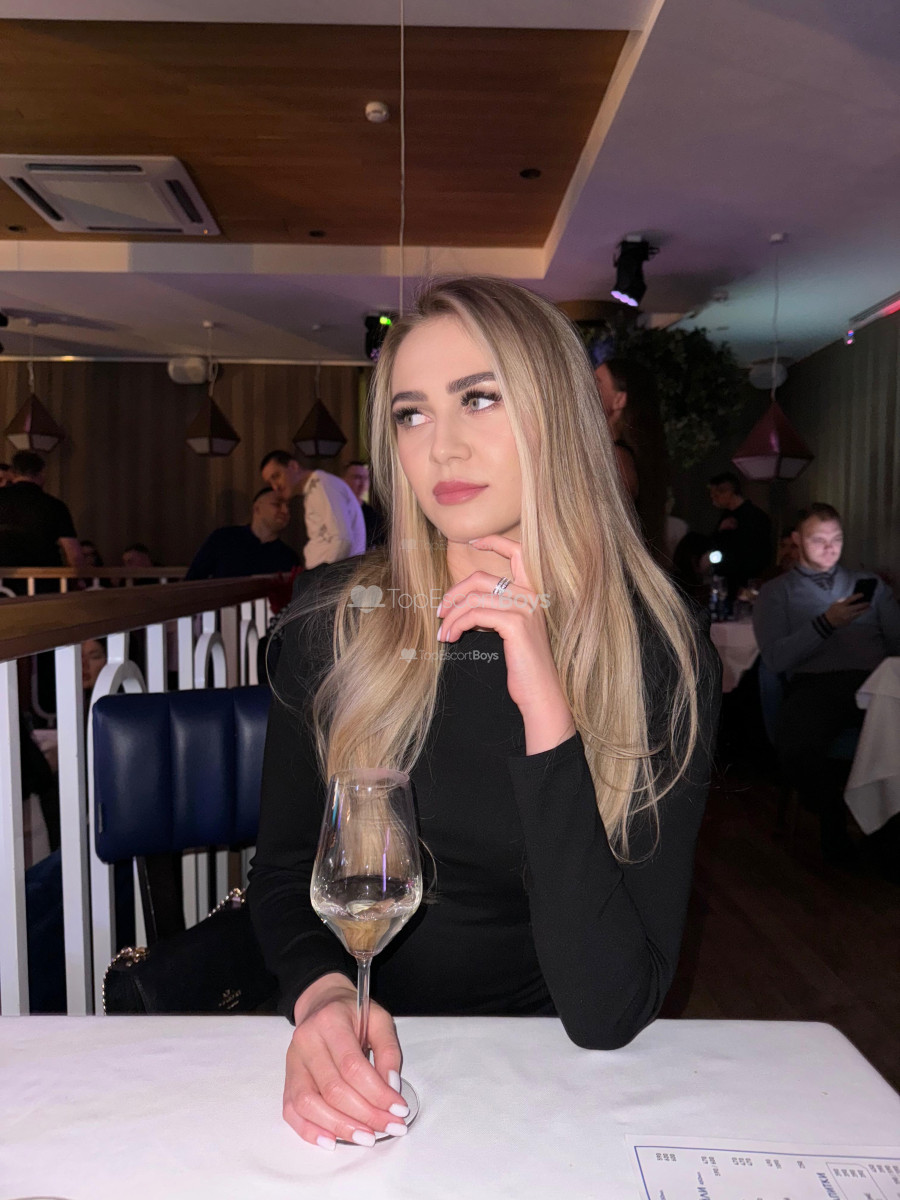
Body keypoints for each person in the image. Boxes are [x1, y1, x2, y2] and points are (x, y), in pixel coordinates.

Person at [247, 276, 721, 1151]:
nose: (443, 447)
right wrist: (321, 995)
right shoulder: (333, 621)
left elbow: (609, 1010)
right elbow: (282, 873)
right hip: (357, 1056)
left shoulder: (657, 647)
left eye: (479, 398)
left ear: (558, 416)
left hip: (552, 1080)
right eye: (412, 414)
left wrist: (546, 708)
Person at [753, 503, 900, 861]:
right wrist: (826, 623)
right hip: (815, 684)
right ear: (797, 540)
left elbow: (897, 643)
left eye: (836, 539)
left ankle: (886, 836)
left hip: (875, 682)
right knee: (798, 744)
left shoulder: (871, 586)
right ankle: (834, 826)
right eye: (818, 540)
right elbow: (775, 659)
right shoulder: (777, 592)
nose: (830, 548)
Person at [593, 357, 670, 564]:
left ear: (619, 400)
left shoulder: (618, 459)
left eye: (597, 382)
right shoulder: (615, 454)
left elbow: (606, 529)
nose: (586, 388)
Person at [260, 450, 366, 569]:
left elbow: (342, 540)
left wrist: (321, 577)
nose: (275, 487)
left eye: (276, 476)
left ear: (293, 466)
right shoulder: (315, 488)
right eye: (270, 483)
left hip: (335, 576)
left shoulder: (322, 485)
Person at [0, 450, 84, 592]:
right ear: (41, 473)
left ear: (13, 473)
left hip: (4, 583)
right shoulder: (55, 506)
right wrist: (79, 581)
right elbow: (74, 554)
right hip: (45, 583)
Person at [185, 487, 300, 580]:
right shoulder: (223, 539)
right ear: (257, 508)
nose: (285, 511)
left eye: (288, 506)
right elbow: (193, 580)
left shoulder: (289, 558)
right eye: (277, 504)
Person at [707, 471, 772, 604]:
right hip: (725, 580)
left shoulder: (754, 517)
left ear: (728, 492)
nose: (713, 499)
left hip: (745, 582)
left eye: (716, 495)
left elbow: (759, 551)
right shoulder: (726, 515)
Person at [342, 460, 387, 548]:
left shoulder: (373, 515)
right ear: (344, 480)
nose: (362, 483)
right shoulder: (335, 510)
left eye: (365, 478)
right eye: (357, 477)